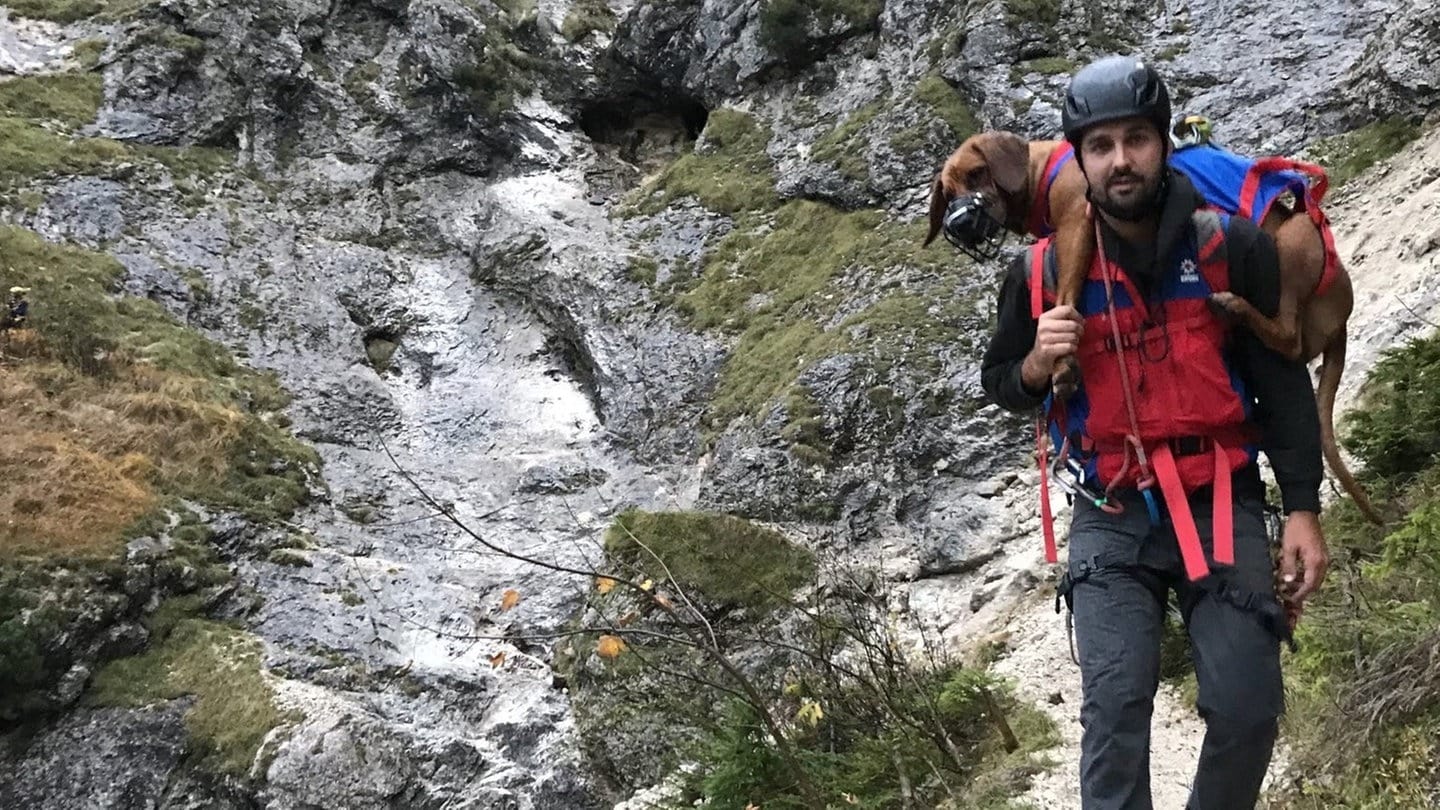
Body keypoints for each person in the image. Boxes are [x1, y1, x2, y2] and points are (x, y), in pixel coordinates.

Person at [976, 56, 1329, 810]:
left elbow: (1281, 386)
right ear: (1079, 158)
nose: (1120, 160)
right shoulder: (1037, 273)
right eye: (1100, 146)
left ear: (1163, 144)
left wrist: (1303, 507)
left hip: (1221, 497)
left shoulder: (1232, 246)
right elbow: (1001, 383)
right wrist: (1038, 363)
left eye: (1136, 139)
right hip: (1109, 510)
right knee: (1116, 709)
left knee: (1247, 708)